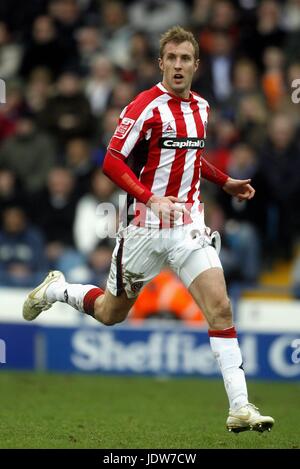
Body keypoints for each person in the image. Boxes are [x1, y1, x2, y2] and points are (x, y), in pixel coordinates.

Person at [23, 26, 274, 433]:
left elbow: (191, 159)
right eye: (171, 58)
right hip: (144, 227)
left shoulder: (203, 108)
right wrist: (149, 197)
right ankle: (56, 289)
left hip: (189, 223)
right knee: (110, 313)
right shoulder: (145, 107)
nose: (178, 66)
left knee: (221, 307)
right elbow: (111, 161)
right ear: (161, 63)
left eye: (185, 59)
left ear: (196, 64)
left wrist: (224, 180)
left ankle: (240, 407)